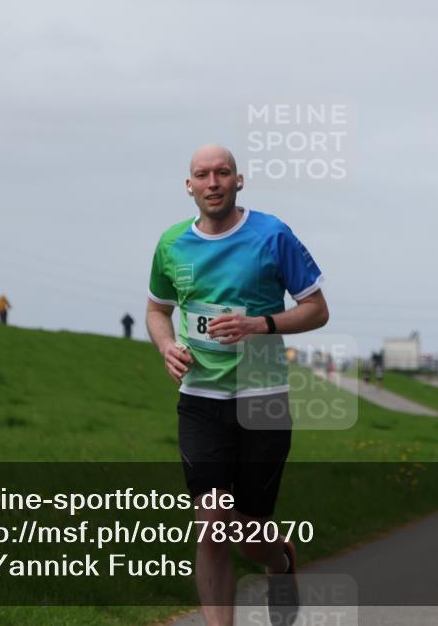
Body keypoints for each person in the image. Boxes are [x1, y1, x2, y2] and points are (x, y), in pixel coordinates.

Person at [145, 144, 329, 626]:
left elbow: (317, 309)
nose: (213, 182)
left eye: (222, 173)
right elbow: (156, 310)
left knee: (248, 533)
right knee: (210, 526)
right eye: (202, 175)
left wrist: (260, 325)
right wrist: (166, 346)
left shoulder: (272, 235)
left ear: (238, 181)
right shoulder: (171, 244)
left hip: (261, 401)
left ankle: (280, 561)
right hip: (200, 402)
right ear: (189, 185)